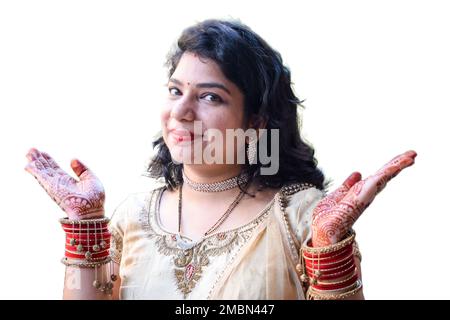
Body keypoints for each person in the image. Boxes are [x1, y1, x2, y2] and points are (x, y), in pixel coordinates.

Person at [24, 19, 417, 300]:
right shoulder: (133, 217)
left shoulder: (301, 217)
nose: (181, 112)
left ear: (257, 121)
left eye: (210, 96)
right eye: (176, 90)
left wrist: (331, 249)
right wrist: (86, 227)